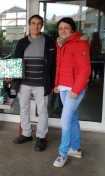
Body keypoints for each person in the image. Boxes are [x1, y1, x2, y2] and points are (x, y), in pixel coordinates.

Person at [7, 14, 56, 152]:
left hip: (42, 83)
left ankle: (41, 136)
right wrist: (11, 76)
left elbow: (53, 64)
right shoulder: (22, 42)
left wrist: (51, 83)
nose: (36, 26)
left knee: (42, 111)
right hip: (24, 83)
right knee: (23, 108)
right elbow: (15, 62)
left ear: (42, 25)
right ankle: (26, 133)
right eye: (33, 23)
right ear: (29, 25)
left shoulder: (49, 42)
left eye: (39, 23)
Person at [53, 17, 91, 167]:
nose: (63, 31)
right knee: (73, 118)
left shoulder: (79, 44)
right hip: (64, 87)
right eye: (60, 28)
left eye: (66, 28)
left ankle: (63, 153)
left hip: (74, 89)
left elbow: (85, 70)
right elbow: (60, 66)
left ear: (73, 29)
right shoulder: (61, 44)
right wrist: (57, 83)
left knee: (65, 120)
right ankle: (75, 148)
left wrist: (76, 89)